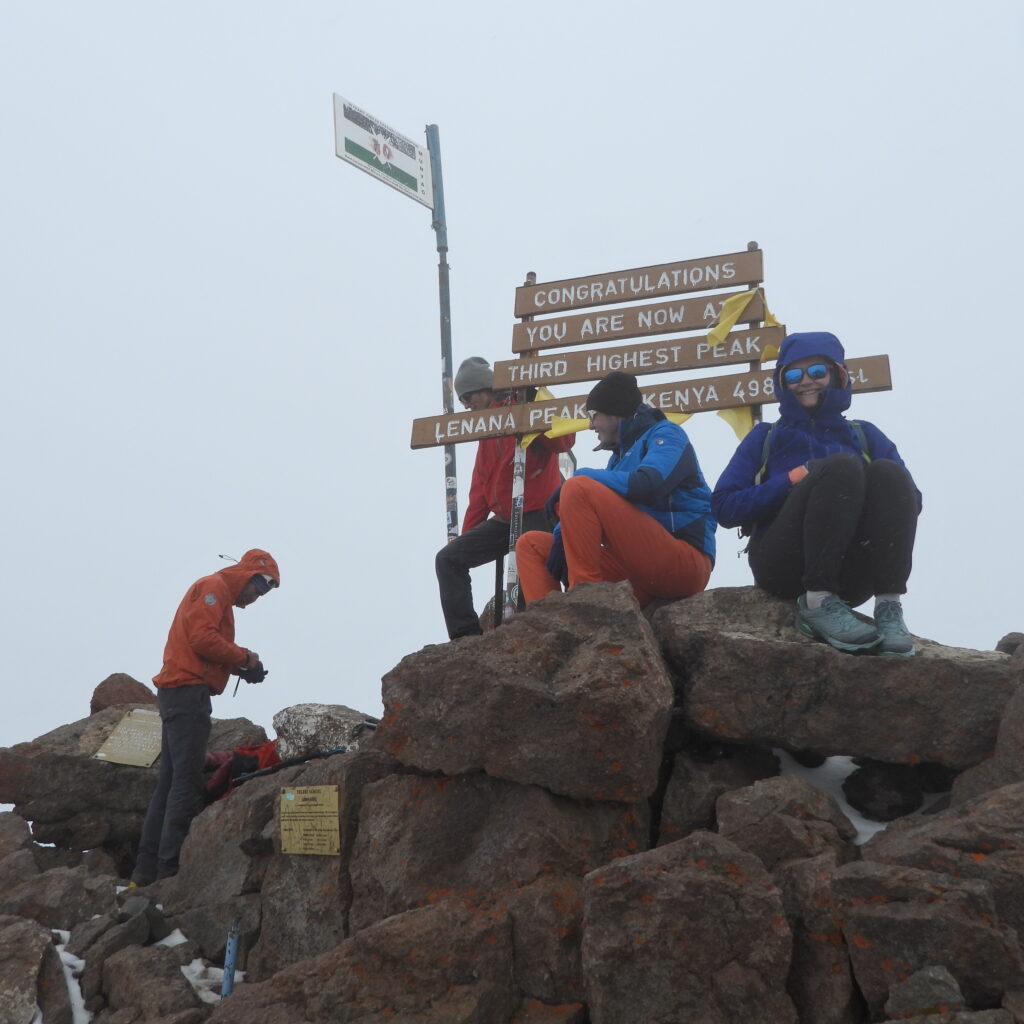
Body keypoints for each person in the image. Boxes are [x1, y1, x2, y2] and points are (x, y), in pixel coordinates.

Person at [712, 331, 921, 656]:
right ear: (782, 382)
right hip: (781, 565)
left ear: (837, 375)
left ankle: (889, 606)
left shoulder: (865, 435)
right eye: (793, 374)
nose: (805, 381)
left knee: (889, 473)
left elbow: (910, 499)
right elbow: (724, 507)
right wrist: (792, 480)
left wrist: (861, 492)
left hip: (853, 575)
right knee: (841, 467)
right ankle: (818, 601)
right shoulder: (764, 438)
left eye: (818, 372)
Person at [131, 549, 280, 885]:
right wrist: (244, 657)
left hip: (177, 691)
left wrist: (240, 666)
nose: (257, 596)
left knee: (169, 782)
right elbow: (201, 639)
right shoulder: (214, 590)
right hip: (187, 694)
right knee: (185, 783)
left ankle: (144, 871)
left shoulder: (218, 596)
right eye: (258, 587)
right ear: (246, 575)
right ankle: (168, 873)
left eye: (263, 592)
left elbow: (201, 644)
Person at [515, 370, 716, 607]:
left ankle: (585, 603)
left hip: (683, 563)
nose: (590, 425)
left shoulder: (667, 434)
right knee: (530, 545)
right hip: (635, 573)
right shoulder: (617, 459)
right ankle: (550, 624)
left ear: (614, 412)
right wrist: (562, 535)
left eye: (593, 415)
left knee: (578, 486)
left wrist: (581, 476)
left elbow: (648, 485)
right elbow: (592, 507)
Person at [435, 356, 575, 640]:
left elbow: (564, 441)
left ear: (487, 388)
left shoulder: (523, 409)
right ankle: (465, 639)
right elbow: (480, 492)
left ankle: (533, 636)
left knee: (527, 581)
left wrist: (535, 405)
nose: (466, 404)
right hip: (504, 520)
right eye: (462, 398)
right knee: (449, 559)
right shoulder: (486, 432)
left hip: (538, 512)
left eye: (469, 395)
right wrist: (467, 540)